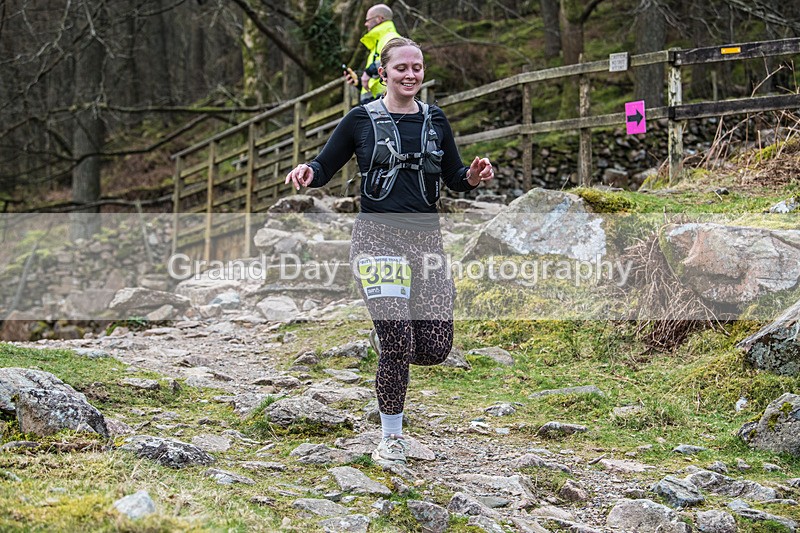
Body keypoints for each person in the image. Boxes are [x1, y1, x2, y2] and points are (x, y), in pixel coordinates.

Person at [287, 37, 494, 465]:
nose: (410, 74)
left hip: (426, 242)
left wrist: (473, 175)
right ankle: (392, 436)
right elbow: (326, 165)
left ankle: (389, 333)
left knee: (435, 347)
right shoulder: (361, 119)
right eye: (401, 67)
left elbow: (455, 175)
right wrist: (309, 170)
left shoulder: (435, 120)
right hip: (377, 239)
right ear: (384, 73)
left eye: (417, 67)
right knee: (399, 339)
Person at [344, 4, 402, 104]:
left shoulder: (392, 38)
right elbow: (377, 79)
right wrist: (359, 82)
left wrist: (368, 72)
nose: (366, 24)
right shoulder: (378, 43)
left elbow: (395, 61)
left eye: (368, 20)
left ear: (379, 19)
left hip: (385, 103)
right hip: (374, 103)